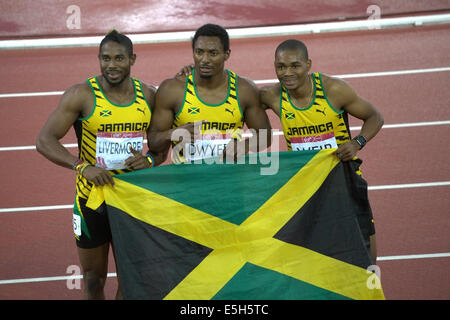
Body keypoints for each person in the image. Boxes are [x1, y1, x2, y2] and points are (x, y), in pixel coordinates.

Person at [36, 30, 157, 299]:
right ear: (98, 59)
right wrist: (81, 166)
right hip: (91, 200)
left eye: (119, 58)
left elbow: (160, 146)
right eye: (105, 58)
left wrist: (148, 159)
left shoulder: (149, 95)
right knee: (93, 280)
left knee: (132, 279)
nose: (111, 65)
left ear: (132, 59)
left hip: (133, 200)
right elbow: (44, 140)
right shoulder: (81, 94)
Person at [260, 39, 384, 263]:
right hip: (304, 187)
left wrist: (357, 143)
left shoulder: (334, 90)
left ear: (308, 64)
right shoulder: (273, 96)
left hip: (342, 180)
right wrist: (191, 77)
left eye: (295, 66)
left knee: (364, 245)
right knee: (311, 254)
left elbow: (375, 116)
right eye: (281, 67)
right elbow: (241, 96)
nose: (287, 73)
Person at [147, 24, 272, 164]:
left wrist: (245, 145)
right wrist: (171, 134)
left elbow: (265, 136)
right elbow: (153, 143)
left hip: (230, 178)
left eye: (213, 53)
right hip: (186, 181)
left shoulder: (244, 90)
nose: (205, 60)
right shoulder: (172, 90)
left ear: (227, 54)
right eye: (199, 52)